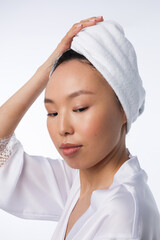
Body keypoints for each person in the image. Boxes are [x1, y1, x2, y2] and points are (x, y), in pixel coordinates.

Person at [0, 16, 159, 240]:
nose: (62, 128)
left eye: (80, 108)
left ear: (123, 108)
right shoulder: (79, 181)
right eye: (52, 112)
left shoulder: (122, 217)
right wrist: (47, 69)